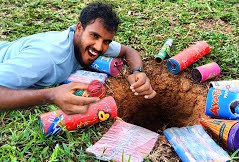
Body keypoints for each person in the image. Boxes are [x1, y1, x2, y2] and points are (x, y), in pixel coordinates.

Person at [0, 2, 156, 115]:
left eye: (106, 41)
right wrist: (50, 95)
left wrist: (137, 72)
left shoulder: (91, 42)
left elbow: (129, 51)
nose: (99, 47)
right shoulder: (47, 58)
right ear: (79, 28)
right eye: (94, 36)